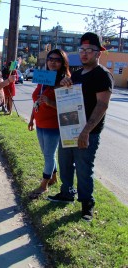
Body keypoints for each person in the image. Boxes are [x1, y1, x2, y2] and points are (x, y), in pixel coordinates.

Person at [48, 32, 114, 222]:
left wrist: (86, 131)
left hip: (89, 132)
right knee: (65, 163)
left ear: (98, 53)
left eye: (89, 50)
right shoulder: (76, 74)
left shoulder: (103, 75)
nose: (85, 53)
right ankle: (66, 193)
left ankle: (87, 204)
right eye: (82, 50)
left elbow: (102, 105)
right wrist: (63, 85)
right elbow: (65, 100)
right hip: (69, 128)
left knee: (84, 168)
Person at [28, 49, 70, 199]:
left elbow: (67, 108)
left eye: (57, 60)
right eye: (50, 59)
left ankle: (43, 185)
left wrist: (50, 102)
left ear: (63, 63)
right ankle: (53, 178)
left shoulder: (64, 82)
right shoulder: (43, 77)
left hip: (53, 125)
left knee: (48, 155)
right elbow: (36, 100)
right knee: (47, 154)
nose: (53, 61)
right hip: (40, 122)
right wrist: (32, 118)